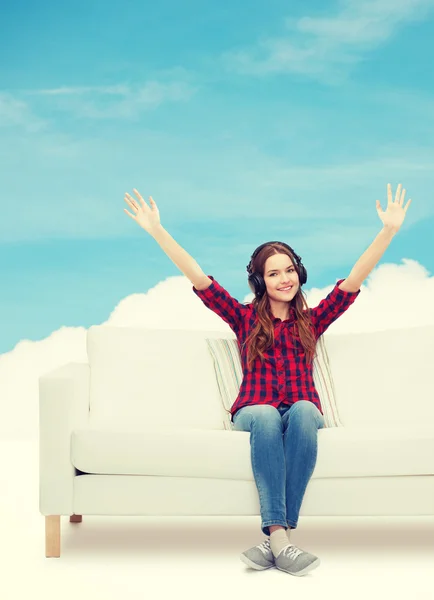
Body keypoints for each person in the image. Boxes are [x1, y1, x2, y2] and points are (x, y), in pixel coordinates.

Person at [123, 184, 409, 576]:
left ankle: (274, 541)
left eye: (289, 270)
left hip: (299, 411)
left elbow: (355, 279)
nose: (284, 278)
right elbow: (198, 278)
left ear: (300, 273)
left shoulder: (312, 321)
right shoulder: (244, 319)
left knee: (307, 411)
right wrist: (157, 230)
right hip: (253, 414)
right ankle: (283, 538)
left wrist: (388, 231)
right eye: (273, 273)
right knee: (267, 416)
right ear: (260, 281)